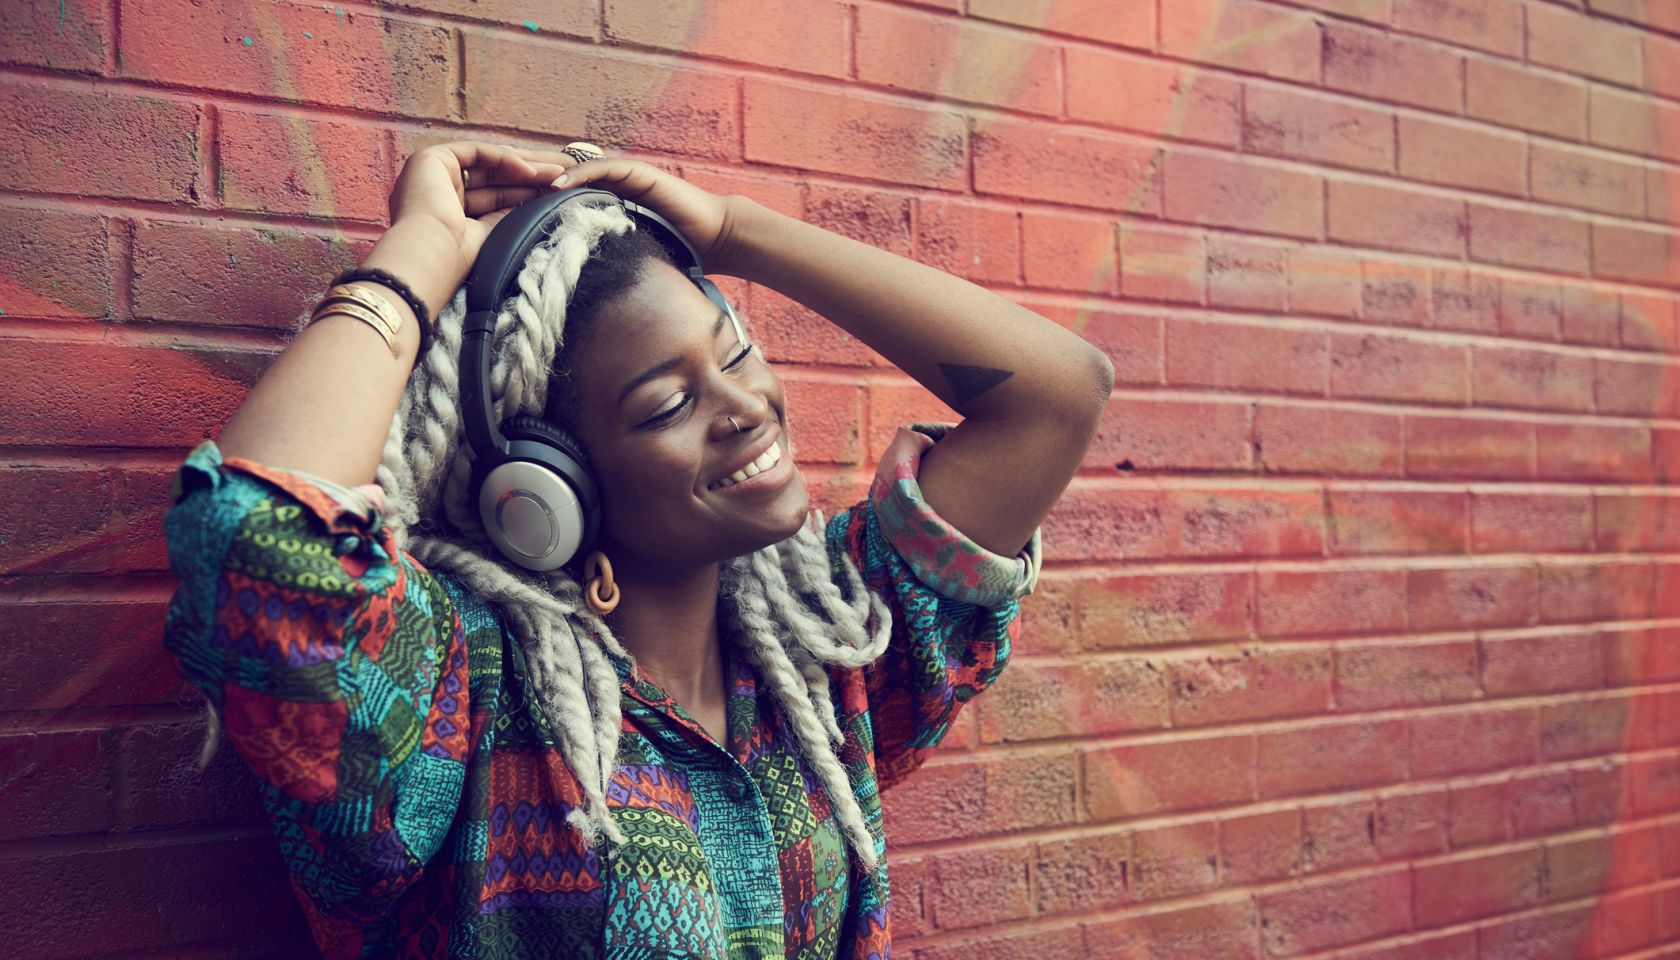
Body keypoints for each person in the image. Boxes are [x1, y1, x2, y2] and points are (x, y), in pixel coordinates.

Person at [161, 139, 1113, 958]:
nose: (743, 408)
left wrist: (734, 232)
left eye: (734, 352)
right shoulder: (464, 699)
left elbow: (1056, 394)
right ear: (543, 487)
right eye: (669, 404)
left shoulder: (828, 658)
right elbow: (259, 546)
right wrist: (420, 251)